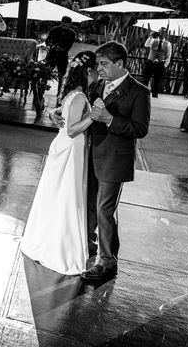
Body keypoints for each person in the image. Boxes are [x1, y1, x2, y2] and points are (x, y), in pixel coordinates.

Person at [50, 41, 150, 281]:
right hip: (89, 156)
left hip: (114, 160)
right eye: (98, 64)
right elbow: (83, 114)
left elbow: (140, 128)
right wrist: (58, 112)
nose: (100, 68)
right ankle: (88, 243)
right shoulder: (98, 86)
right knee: (89, 205)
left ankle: (106, 264)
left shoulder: (139, 91)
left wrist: (108, 119)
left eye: (104, 64)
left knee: (105, 210)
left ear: (120, 64)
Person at [21, 51, 98, 275]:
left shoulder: (71, 94)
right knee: (67, 196)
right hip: (71, 149)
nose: (97, 73)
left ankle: (56, 238)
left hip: (65, 146)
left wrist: (58, 113)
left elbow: (64, 115)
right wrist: (93, 116)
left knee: (58, 196)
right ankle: (62, 247)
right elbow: (73, 130)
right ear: (88, 71)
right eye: (95, 69)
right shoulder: (80, 96)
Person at [46, 16, 77, 99]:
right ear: (61, 23)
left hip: (63, 57)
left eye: (67, 26)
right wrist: (52, 46)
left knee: (62, 76)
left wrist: (60, 48)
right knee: (45, 72)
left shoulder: (72, 33)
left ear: (70, 25)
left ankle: (59, 94)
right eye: (64, 25)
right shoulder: (54, 30)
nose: (65, 27)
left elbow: (68, 47)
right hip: (52, 55)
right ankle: (41, 89)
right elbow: (47, 41)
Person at [142, 27, 172, 98]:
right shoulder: (152, 40)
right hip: (150, 62)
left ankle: (155, 95)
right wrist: (150, 36)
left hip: (160, 64)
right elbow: (146, 45)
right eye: (160, 32)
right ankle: (143, 94)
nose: (161, 34)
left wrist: (164, 65)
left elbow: (168, 55)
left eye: (163, 32)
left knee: (157, 81)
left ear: (166, 34)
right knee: (145, 79)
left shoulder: (168, 44)